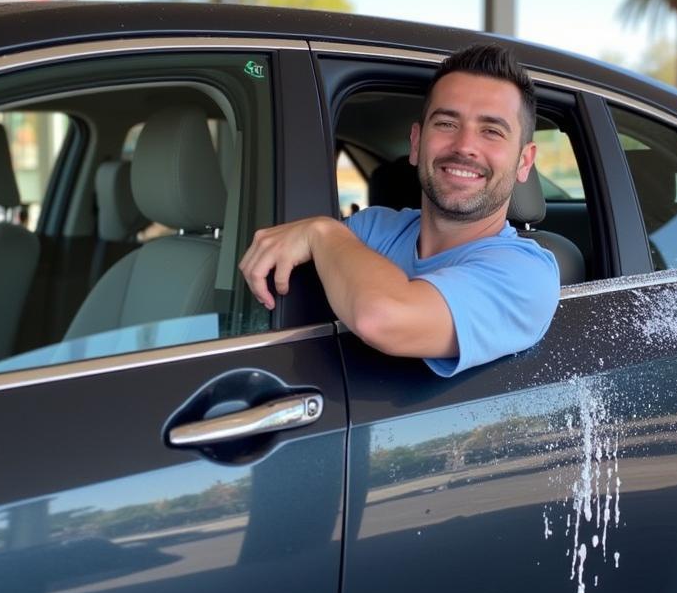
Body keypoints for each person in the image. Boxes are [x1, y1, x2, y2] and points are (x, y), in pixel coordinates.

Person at [238, 43, 560, 376]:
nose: (465, 146)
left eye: (491, 131)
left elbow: (380, 317)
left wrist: (321, 230)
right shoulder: (375, 226)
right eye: (447, 123)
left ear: (524, 162)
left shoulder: (528, 276)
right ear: (417, 143)